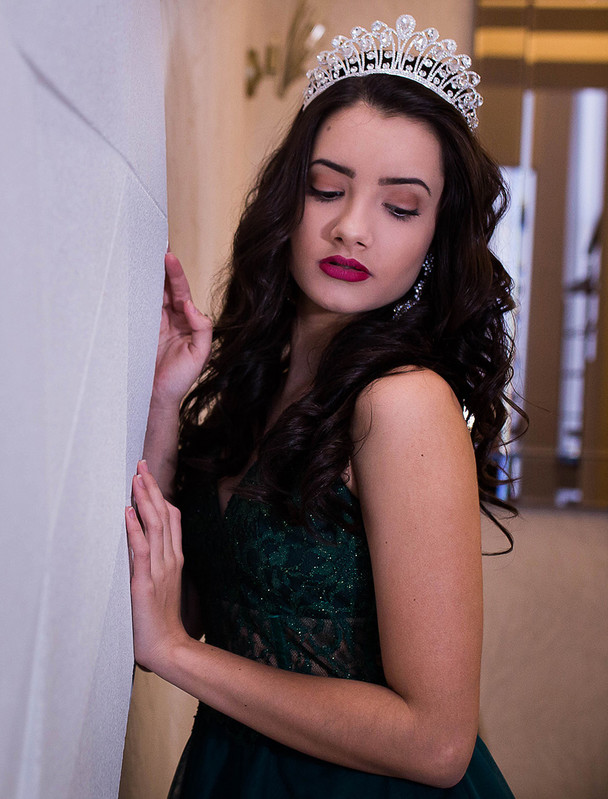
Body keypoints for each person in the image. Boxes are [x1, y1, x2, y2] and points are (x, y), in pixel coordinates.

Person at [125, 16, 520, 797]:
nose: (350, 227)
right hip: (231, 771)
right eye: (327, 188)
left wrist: (175, 654)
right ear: (289, 198)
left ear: (436, 239)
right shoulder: (260, 383)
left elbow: (438, 742)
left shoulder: (404, 402)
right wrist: (165, 404)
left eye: (400, 207)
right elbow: (188, 606)